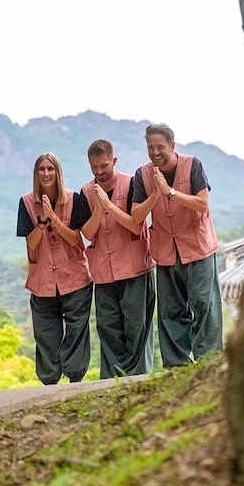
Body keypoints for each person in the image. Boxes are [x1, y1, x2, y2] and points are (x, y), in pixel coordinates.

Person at [131, 123, 224, 367]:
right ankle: (176, 366)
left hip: (198, 249)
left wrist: (170, 192)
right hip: (165, 252)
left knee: (204, 306)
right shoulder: (142, 174)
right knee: (170, 311)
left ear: (172, 145)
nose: (155, 152)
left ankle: (209, 363)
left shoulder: (193, 165)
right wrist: (155, 194)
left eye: (160, 147)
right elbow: (136, 216)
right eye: (150, 147)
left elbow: (202, 204)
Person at [80, 139, 157, 378]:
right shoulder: (85, 192)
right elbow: (87, 233)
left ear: (114, 161)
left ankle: (139, 378)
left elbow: (136, 225)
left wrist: (109, 206)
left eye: (104, 165)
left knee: (137, 325)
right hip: (103, 271)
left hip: (135, 268)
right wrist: (98, 209)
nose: (99, 171)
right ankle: (112, 381)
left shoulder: (132, 184)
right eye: (94, 167)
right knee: (108, 327)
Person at [17, 152, 93, 384]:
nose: (46, 173)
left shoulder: (74, 199)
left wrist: (55, 220)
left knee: (76, 330)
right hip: (42, 280)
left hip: (74, 277)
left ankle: (75, 378)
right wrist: (41, 223)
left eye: (50, 169)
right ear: (36, 173)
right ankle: (49, 381)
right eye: (42, 169)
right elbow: (31, 243)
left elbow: (76, 238)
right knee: (45, 333)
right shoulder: (26, 202)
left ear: (58, 173)